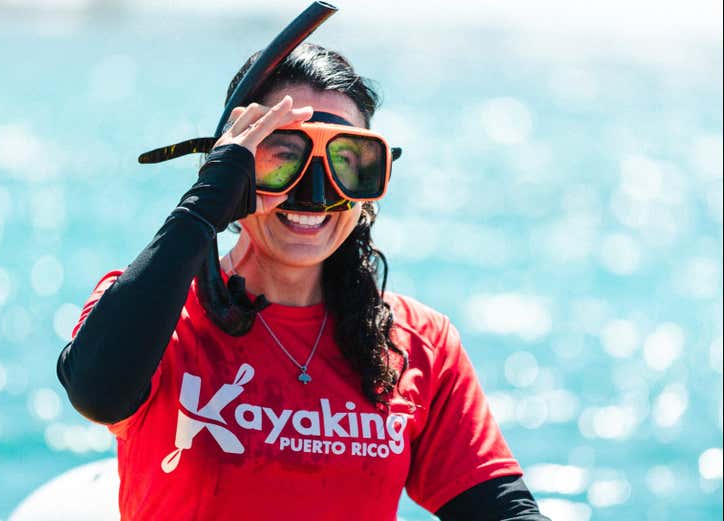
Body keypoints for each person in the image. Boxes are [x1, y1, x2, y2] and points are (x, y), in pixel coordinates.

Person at [57, 43, 551, 521]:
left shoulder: (417, 342)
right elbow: (98, 394)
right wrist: (201, 208)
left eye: (345, 164)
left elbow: (501, 512)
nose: (314, 194)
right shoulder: (154, 313)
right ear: (231, 169)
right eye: (280, 158)